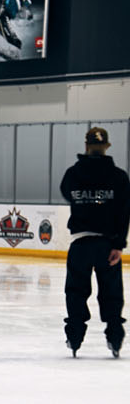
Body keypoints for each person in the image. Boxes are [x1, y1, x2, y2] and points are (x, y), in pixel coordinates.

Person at [59, 125, 130, 357]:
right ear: (106, 146)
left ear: (86, 146)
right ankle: (115, 337)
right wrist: (119, 245)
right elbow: (124, 213)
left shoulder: (73, 174)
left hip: (81, 243)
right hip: (107, 244)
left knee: (76, 291)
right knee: (111, 293)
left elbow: (67, 192)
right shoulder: (119, 177)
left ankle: (74, 336)